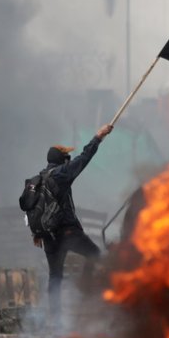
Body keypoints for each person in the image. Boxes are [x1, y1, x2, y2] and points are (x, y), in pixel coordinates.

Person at [34, 123, 113, 320]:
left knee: (55, 275)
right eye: (66, 156)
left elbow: (32, 208)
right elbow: (84, 158)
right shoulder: (62, 174)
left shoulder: (38, 180)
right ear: (62, 160)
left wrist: (37, 233)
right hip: (68, 233)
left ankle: (55, 318)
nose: (69, 158)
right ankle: (87, 290)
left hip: (48, 236)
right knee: (95, 255)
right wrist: (98, 137)